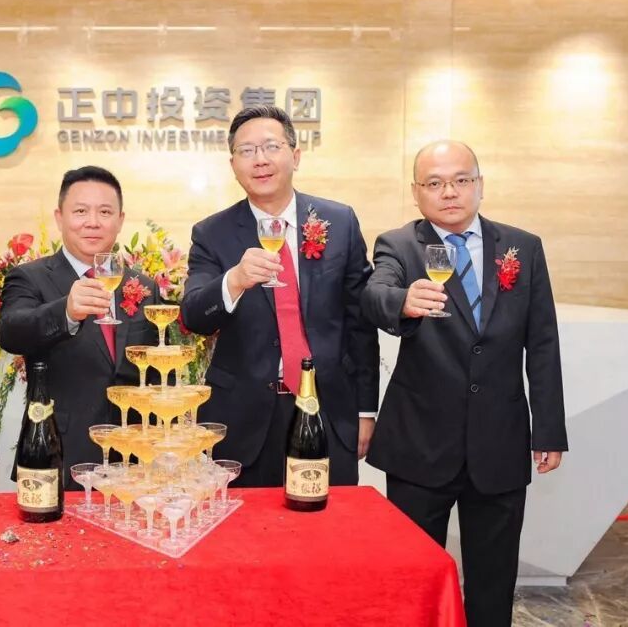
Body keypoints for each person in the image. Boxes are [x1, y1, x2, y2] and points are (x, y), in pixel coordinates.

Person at [362, 140, 568, 627]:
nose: (449, 192)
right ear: (416, 192)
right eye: (434, 183)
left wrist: (548, 429)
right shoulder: (399, 245)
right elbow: (374, 293)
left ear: (480, 185)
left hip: (499, 440)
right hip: (420, 444)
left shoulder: (522, 247)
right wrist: (401, 301)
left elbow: (542, 342)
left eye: (460, 180)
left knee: (493, 581)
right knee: (415, 579)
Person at [180, 105, 379, 488]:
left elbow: (360, 321)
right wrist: (234, 280)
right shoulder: (212, 233)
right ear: (233, 165)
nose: (260, 160)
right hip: (244, 419)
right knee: (248, 525)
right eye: (247, 150)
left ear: (295, 155)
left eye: (271, 146)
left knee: (330, 520)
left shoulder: (339, 222)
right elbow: (193, 316)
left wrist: (365, 410)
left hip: (328, 408)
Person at [0, 166, 158, 481]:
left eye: (105, 212)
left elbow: (154, 369)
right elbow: (11, 331)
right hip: (60, 449)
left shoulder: (143, 286)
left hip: (135, 457)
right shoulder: (30, 277)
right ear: (59, 218)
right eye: (81, 211)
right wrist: (66, 312)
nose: (93, 222)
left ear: (120, 220)